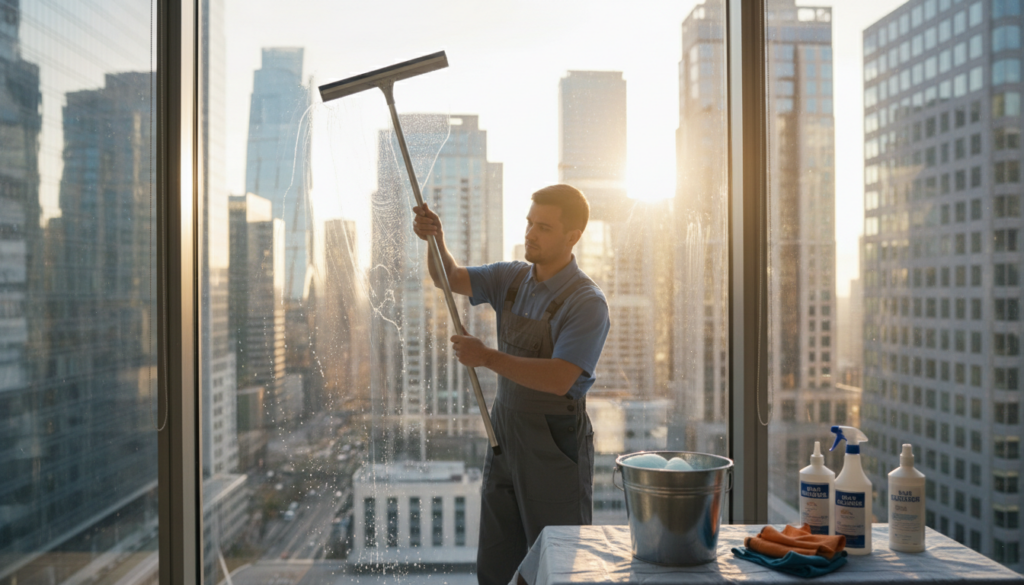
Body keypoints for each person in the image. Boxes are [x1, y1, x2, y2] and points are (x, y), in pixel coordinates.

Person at [412, 184, 610, 584]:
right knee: (497, 562)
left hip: (554, 447)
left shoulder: (587, 302)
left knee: (558, 562)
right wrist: (435, 240)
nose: (530, 234)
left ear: (573, 237)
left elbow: (559, 378)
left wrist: (486, 357)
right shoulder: (510, 277)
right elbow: (448, 278)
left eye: (544, 227)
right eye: (529, 223)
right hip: (504, 437)